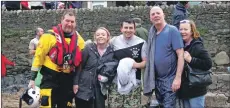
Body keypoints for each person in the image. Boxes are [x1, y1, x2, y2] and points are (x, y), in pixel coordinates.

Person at [28, 10, 85, 108]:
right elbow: (38, 58)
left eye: (72, 22)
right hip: (50, 79)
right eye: (67, 21)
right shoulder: (48, 37)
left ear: (75, 23)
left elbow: (80, 63)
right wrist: (32, 79)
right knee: (46, 105)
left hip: (67, 80)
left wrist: (76, 82)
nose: (69, 24)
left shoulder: (79, 40)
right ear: (62, 20)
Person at [144, 6, 184, 108]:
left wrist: (178, 78)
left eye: (158, 13)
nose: (155, 15)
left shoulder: (172, 30)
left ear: (163, 15)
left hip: (170, 79)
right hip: (157, 80)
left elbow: (180, 54)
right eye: (153, 14)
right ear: (150, 18)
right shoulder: (152, 33)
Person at [73, 27, 118, 108]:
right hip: (84, 87)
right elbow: (79, 66)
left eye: (103, 35)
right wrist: (75, 83)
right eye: (98, 35)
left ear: (108, 37)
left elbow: (113, 69)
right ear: (95, 37)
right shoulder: (88, 48)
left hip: (100, 89)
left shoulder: (111, 52)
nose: (100, 36)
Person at [108, 19, 147, 108]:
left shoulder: (141, 43)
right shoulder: (113, 41)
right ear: (121, 29)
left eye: (131, 28)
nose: (128, 30)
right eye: (126, 27)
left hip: (134, 84)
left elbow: (145, 62)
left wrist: (134, 65)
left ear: (134, 29)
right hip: (115, 83)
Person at [178, 19, 212, 108]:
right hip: (185, 90)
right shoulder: (182, 45)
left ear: (192, 31)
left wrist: (191, 59)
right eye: (181, 29)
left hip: (196, 89)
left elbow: (208, 64)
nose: (182, 32)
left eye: (186, 29)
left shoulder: (197, 46)